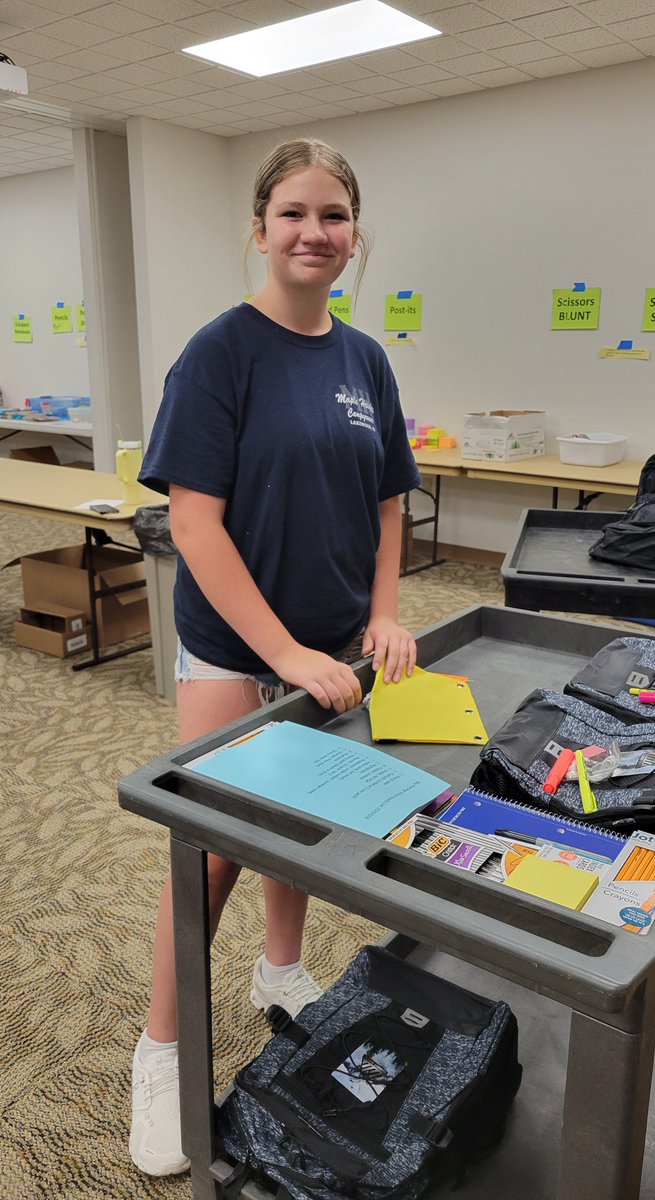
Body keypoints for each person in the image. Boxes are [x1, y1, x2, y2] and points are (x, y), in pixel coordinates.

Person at [129, 136, 421, 1177]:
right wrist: (283, 652)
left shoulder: (364, 358)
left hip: (333, 646)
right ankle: (162, 1051)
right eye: (294, 214)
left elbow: (388, 503)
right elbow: (196, 528)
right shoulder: (221, 352)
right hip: (235, 649)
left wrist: (384, 617)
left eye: (333, 215)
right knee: (208, 854)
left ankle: (282, 974)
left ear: (355, 235)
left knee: (298, 830)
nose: (315, 233)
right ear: (261, 229)